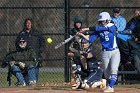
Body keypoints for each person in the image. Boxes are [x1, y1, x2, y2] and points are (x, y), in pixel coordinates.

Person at [77, 12, 120, 92]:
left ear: (107, 20)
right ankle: (106, 83)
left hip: (115, 52)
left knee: (114, 69)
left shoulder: (112, 26)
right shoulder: (99, 30)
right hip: (105, 53)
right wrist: (81, 34)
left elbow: (100, 28)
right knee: (107, 75)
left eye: (103, 21)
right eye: (100, 21)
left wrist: (86, 29)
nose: (101, 23)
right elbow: (90, 39)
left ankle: (110, 87)